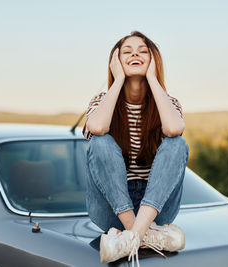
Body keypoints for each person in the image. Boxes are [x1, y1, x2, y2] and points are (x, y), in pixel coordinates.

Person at [82, 31, 189, 266]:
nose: (134, 55)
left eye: (142, 51)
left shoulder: (168, 104)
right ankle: (145, 235)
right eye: (126, 52)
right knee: (99, 141)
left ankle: (130, 238)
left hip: (156, 208)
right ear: (116, 61)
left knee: (177, 143)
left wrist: (152, 78)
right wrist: (118, 79)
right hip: (110, 209)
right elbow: (98, 127)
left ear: (154, 60)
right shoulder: (100, 102)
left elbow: (173, 130)